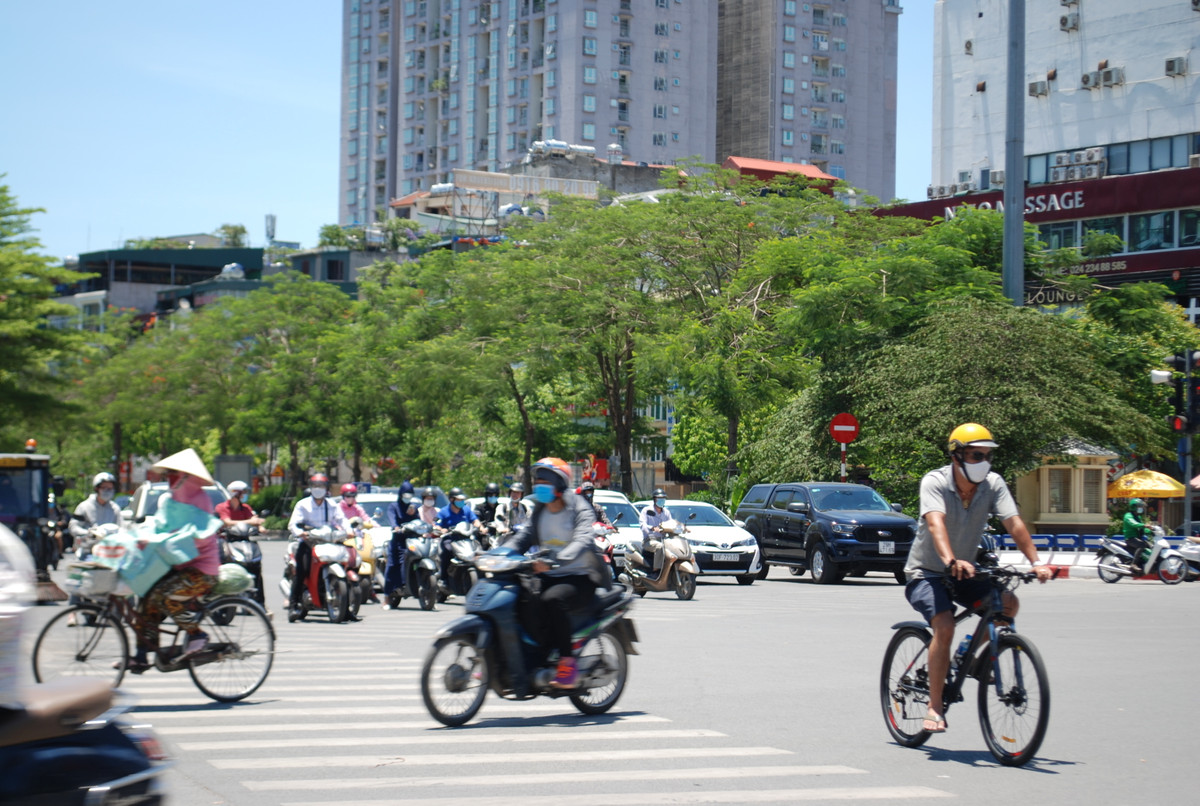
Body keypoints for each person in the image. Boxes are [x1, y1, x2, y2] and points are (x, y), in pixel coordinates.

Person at [903, 423, 1054, 734]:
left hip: (965, 569)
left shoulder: (993, 484)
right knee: (944, 625)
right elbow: (935, 524)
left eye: (987, 455)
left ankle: (967, 655)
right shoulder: (935, 481)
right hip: (926, 572)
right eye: (975, 455)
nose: (983, 461)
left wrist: (1036, 562)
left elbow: (1014, 523)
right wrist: (950, 560)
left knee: (1007, 604)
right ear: (956, 456)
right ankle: (933, 707)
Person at [501, 457, 608, 689]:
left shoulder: (579, 507)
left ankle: (567, 663)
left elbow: (582, 540)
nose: (539, 484)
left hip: (581, 576)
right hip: (548, 573)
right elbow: (522, 538)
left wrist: (556, 560)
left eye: (545, 480)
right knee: (518, 596)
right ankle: (530, 658)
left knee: (552, 600)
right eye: (537, 480)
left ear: (559, 483)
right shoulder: (540, 511)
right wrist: (498, 554)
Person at [131, 449, 223, 673]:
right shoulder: (170, 500)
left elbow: (201, 537)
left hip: (202, 570)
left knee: (166, 597)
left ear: (186, 476)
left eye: (174, 473)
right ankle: (142, 654)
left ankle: (196, 634)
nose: (169, 477)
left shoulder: (201, 500)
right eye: (168, 474)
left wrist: (171, 541)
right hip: (176, 566)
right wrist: (142, 536)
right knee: (145, 599)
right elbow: (158, 525)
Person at [286, 473, 347, 621]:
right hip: (308, 543)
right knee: (302, 572)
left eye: (321, 486)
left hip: (328, 542)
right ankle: (293, 606)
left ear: (326, 489)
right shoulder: (303, 504)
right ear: (311, 487)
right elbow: (293, 524)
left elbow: (342, 520)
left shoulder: (332, 505)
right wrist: (301, 533)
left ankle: (347, 609)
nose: (318, 489)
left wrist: (349, 531)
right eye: (315, 486)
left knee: (345, 564)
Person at [69, 472, 125, 560]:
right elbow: (74, 527)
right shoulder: (84, 506)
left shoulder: (115, 508)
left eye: (110, 488)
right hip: (88, 551)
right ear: (97, 488)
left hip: (110, 551)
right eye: (104, 488)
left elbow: (122, 528)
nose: (107, 491)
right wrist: (89, 533)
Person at [384, 482, 419, 606]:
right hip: (398, 541)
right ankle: (387, 596)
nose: (407, 497)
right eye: (405, 494)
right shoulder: (393, 506)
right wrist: (396, 527)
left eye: (410, 494)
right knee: (393, 564)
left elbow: (418, 521)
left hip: (412, 540)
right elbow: (392, 518)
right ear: (400, 494)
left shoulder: (413, 508)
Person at [436, 487, 482, 584]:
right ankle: (444, 579)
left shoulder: (466, 510)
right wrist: (441, 529)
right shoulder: (444, 511)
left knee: (478, 550)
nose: (461, 502)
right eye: (459, 500)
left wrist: (479, 527)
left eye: (462, 500)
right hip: (450, 539)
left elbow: (475, 520)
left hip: (466, 539)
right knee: (447, 551)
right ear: (452, 499)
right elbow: (436, 524)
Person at [638, 488, 672, 574]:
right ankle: (656, 570)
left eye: (663, 499)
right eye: (659, 499)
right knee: (660, 547)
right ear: (654, 499)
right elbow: (643, 525)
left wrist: (682, 528)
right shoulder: (646, 510)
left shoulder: (666, 512)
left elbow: (671, 523)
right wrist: (652, 528)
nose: (662, 501)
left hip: (664, 540)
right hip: (650, 540)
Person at [1122, 498, 1151, 568]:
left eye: (1141, 507)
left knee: (1150, 546)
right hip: (1130, 539)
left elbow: (1142, 528)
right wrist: (1144, 525)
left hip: (1136, 538)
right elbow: (1134, 524)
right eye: (1139, 506)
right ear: (1134, 507)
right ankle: (1134, 564)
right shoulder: (1128, 516)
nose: (1141, 508)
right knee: (1142, 545)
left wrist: (1151, 531)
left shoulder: (1138, 517)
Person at [475, 482, 503, 546]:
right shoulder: (479, 508)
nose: (493, 497)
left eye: (495, 495)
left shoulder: (501, 508)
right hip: (484, 539)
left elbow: (505, 521)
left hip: (500, 538)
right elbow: (476, 520)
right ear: (486, 495)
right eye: (490, 495)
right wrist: (481, 528)